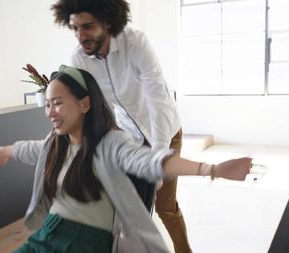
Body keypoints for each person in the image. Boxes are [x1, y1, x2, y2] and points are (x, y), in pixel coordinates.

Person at [0, 65, 252, 253]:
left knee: (166, 207)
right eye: (47, 104)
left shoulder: (112, 140)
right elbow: (32, 149)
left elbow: (154, 161)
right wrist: (7, 151)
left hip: (89, 238)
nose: (50, 112)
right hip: (51, 233)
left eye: (57, 103)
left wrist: (212, 169)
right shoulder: (57, 141)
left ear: (84, 104)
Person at [50, 0, 190, 252]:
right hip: (130, 137)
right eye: (75, 28)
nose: (81, 36)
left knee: (165, 207)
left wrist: (158, 156)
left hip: (165, 131)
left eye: (88, 26)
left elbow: (157, 98)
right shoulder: (79, 58)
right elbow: (86, 108)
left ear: (108, 21)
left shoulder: (135, 43)